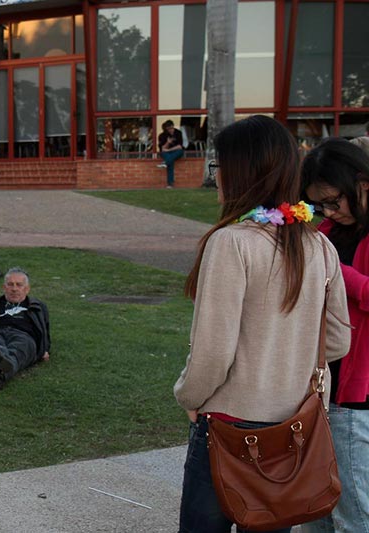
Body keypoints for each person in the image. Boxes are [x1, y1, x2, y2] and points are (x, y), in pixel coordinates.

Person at [174, 115, 351, 533]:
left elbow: (214, 352)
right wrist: (285, 360)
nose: (217, 178)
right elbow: (338, 338)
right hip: (293, 424)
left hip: (229, 424)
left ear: (241, 173)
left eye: (220, 167)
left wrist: (187, 395)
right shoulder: (319, 243)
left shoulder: (232, 243)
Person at [300, 138, 369, 533]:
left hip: (354, 393)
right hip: (320, 387)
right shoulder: (328, 229)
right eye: (319, 204)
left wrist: (332, 270)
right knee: (316, 509)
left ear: (361, 182)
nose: (328, 211)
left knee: (354, 512)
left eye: (332, 200)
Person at [0, 267, 50, 389]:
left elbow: (44, 329)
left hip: (24, 336)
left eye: (19, 285)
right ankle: (2, 372)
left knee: (19, 348)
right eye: (10, 284)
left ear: (27, 289)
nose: (14, 289)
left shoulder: (38, 307)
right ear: (4, 288)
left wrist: (45, 349)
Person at [157, 119, 184, 188]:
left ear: (173, 126)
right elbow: (162, 149)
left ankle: (165, 163)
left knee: (179, 152)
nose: (170, 130)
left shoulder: (178, 133)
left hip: (176, 151)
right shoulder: (162, 135)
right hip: (166, 153)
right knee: (170, 161)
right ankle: (170, 184)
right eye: (168, 129)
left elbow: (179, 146)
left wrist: (168, 150)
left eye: (171, 128)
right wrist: (168, 142)